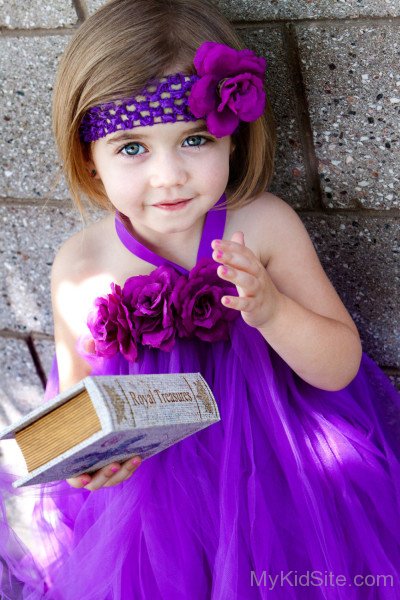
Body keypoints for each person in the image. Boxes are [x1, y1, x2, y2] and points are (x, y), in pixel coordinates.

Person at [0, 0, 400, 598]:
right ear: (90, 156)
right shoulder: (80, 265)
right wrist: (88, 463)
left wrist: (273, 312)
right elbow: (76, 404)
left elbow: (339, 365)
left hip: (282, 479)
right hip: (154, 509)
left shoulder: (262, 227)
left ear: (233, 138)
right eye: (132, 147)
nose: (169, 175)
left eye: (193, 139)